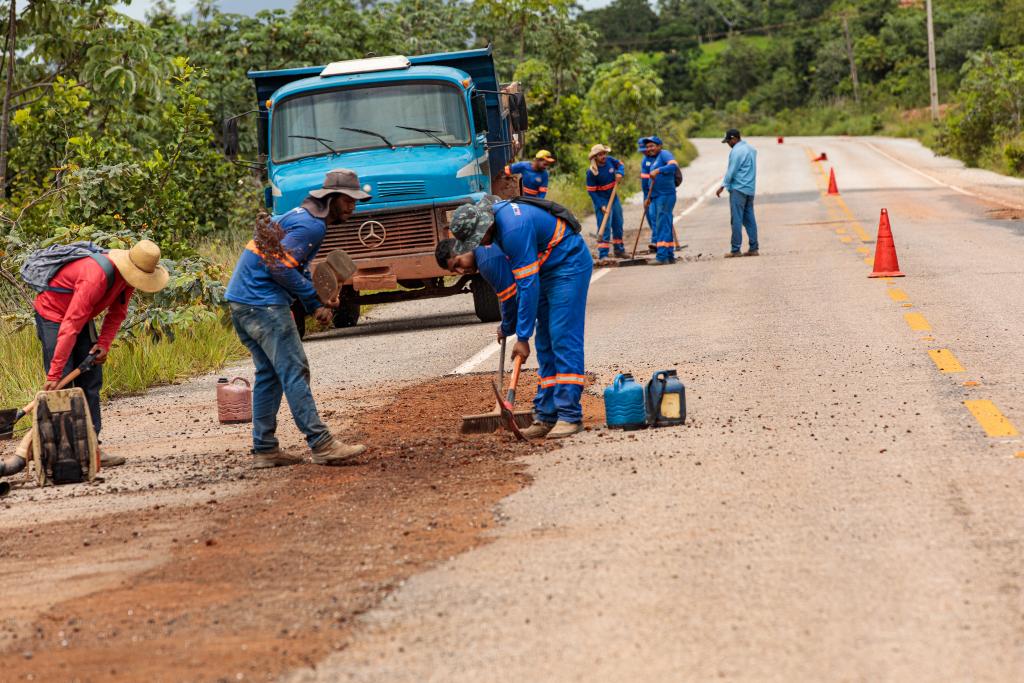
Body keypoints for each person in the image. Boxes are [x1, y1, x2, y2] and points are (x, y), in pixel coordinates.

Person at [225, 169, 370, 469]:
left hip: (242, 301)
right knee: (294, 370)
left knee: (270, 374)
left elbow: (293, 264)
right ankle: (321, 444)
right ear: (332, 199)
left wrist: (314, 301)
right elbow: (278, 269)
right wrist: (315, 300)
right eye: (349, 201)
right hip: (263, 304)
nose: (353, 207)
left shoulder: (300, 216)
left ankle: (265, 449)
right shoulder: (312, 227)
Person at [444, 196, 592, 439]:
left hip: (568, 264)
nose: (479, 244)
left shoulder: (513, 228)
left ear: (485, 225)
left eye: (476, 238)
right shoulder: (495, 228)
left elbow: (527, 285)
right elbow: (518, 290)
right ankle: (546, 416)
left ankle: (569, 416)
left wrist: (522, 337)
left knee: (562, 337)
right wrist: (513, 327)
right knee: (545, 343)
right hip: (545, 270)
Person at [34, 239, 170, 467]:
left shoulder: (127, 278)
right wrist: (54, 373)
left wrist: (103, 344)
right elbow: (69, 325)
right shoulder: (95, 277)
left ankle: (92, 448)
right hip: (54, 314)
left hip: (79, 318)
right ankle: (66, 455)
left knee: (91, 378)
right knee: (63, 387)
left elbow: (117, 313)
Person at [716, 128, 759, 257]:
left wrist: (723, 185)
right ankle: (754, 248)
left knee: (736, 220)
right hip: (750, 189)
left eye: (729, 141)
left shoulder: (736, 151)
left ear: (734, 139)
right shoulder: (751, 149)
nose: (728, 144)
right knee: (750, 219)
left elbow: (732, 170)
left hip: (738, 189)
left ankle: (735, 250)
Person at [641, 136, 679, 265]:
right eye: (647, 147)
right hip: (655, 196)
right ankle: (669, 255)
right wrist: (647, 198)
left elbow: (674, 166)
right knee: (661, 223)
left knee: (662, 223)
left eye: (652, 146)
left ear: (659, 146)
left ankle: (662, 256)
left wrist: (659, 170)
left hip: (666, 195)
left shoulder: (664, 154)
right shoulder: (647, 160)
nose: (649, 148)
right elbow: (646, 182)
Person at [586, 144, 626, 259]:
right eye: (600, 154)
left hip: (614, 198)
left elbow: (620, 165)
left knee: (618, 223)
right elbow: (592, 192)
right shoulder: (592, 172)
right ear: (595, 157)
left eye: (604, 153)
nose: (603, 156)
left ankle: (619, 250)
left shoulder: (610, 160)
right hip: (602, 200)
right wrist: (600, 205)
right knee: (605, 227)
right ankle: (603, 254)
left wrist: (620, 173)